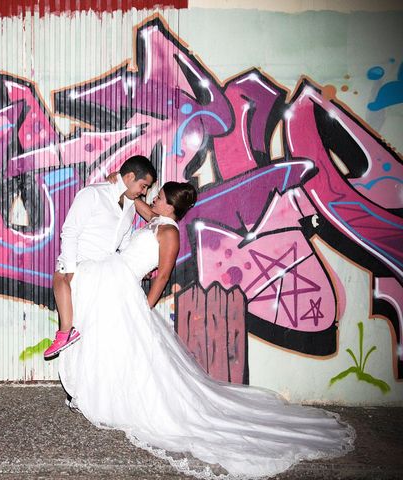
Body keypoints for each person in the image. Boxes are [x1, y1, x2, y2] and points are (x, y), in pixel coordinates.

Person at [58, 180, 355, 479]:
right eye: (155, 194)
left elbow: (162, 276)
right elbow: (136, 201)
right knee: (107, 344)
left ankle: (111, 400)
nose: (154, 198)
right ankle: (94, 393)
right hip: (115, 286)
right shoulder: (155, 221)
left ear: (172, 207)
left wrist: (144, 306)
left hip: (130, 297)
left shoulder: (168, 232)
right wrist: (120, 183)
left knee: (128, 354)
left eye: (160, 197)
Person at [43, 155, 157, 359]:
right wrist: (70, 271)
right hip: (79, 271)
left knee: (97, 335)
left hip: (105, 276)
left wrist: (138, 266)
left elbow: (124, 243)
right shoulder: (92, 194)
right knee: (77, 333)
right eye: (143, 185)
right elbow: (70, 232)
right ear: (130, 177)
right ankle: (65, 334)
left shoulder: (131, 206)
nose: (144, 192)